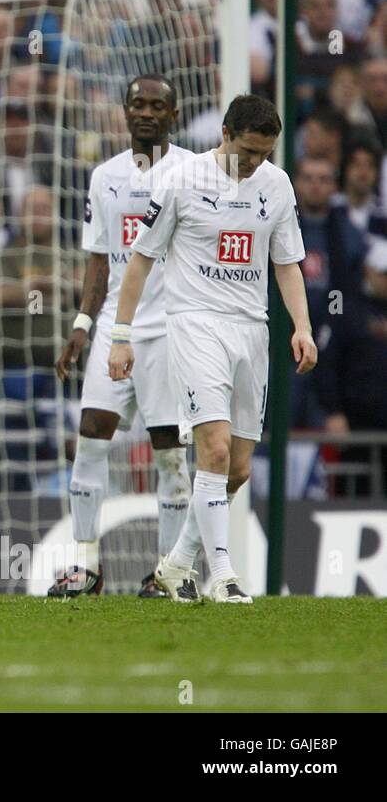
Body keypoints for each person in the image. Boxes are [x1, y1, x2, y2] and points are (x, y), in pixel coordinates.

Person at [109, 94, 317, 604]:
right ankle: (222, 576)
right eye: (247, 152)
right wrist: (120, 334)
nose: (254, 163)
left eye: (264, 154)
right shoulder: (180, 180)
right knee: (215, 451)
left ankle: (177, 562)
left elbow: (286, 263)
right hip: (195, 324)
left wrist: (303, 327)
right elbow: (140, 260)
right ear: (225, 132)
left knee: (239, 468)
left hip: (252, 331)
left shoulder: (277, 184)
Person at [50, 75, 195, 599]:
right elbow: (99, 264)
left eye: (158, 105)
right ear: (125, 111)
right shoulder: (104, 177)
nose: (147, 113)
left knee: (170, 454)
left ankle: (170, 573)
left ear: (173, 115)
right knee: (90, 438)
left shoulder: (193, 173)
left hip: (169, 334)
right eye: (138, 104)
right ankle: (86, 566)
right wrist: (81, 326)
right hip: (115, 328)